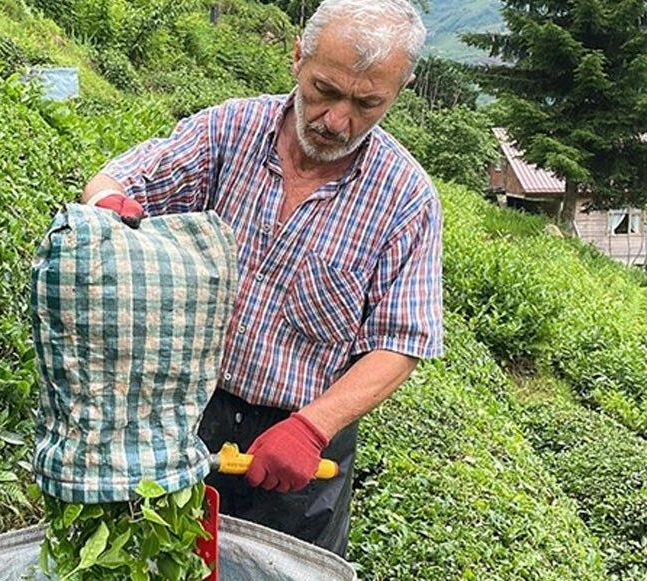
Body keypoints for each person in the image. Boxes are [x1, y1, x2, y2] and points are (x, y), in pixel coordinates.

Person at [81, 0, 443, 557]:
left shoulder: (406, 198)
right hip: (182, 416)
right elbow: (122, 179)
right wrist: (108, 202)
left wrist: (312, 427)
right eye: (324, 90)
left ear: (400, 89)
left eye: (367, 103)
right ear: (298, 58)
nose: (337, 121)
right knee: (149, 559)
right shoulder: (230, 131)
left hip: (301, 446)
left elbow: (401, 342)